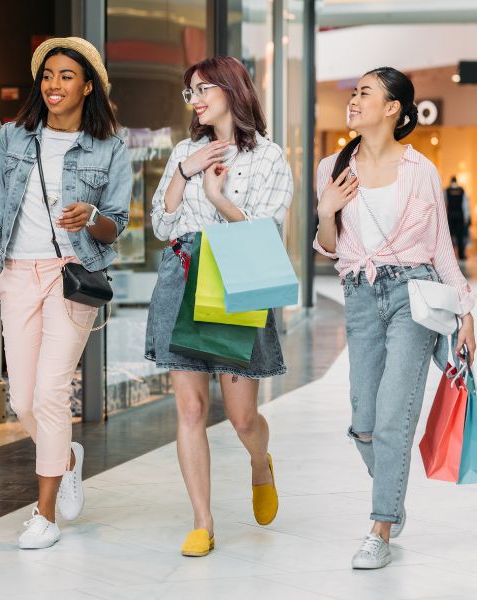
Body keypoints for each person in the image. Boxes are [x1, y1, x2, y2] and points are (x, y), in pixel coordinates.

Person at [0, 37, 131, 550]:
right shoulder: (14, 138)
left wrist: (93, 217)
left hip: (71, 276)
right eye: (48, 75)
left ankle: (44, 515)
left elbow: (117, 226)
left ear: (88, 85)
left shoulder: (110, 146)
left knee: (50, 394)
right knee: (21, 401)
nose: (54, 84)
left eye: (66, 76)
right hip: (17, 275)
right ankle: (67, 458)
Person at [314, 67, 476, 570]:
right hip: (360, 297)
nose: (354, 100)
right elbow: (326, 247)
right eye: (354, 92)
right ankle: (393, 493)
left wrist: (466, 309)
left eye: (365, 93)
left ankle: (379, 528)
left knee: (392, 418)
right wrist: (326, 209)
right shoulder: (333, 167)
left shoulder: (420, 170)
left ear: (393, 109)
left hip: (414, 296)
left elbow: (439, 247)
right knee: (364, 422)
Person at [146, 56, 293, 557]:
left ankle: (260, 462)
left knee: (242, 417)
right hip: (183, 275)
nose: (196, 98)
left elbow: (269, 235)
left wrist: (218, 196)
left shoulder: (269, 156)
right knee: (189, 407)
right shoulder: (185, 151)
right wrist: (185, 172)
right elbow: (161, 228)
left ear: (233, 88)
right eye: (190, 91)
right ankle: (202, 521)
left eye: (205, 87)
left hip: (237, 279)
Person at [444, 176, 470, 261]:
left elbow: (444, 203)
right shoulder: (461, 190)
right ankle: (461, 255)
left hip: (450, 215)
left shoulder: (447, 190)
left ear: (451, 181)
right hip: (460, 215)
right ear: (456, 181)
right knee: (460, 236)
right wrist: (466, 216)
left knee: (449, 237)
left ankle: (449, 256)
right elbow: (465, 204)